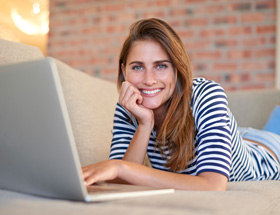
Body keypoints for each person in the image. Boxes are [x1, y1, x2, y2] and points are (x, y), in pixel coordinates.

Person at [82, 18, 280, 191]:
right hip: (235, 137)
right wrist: (144, 125)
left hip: (266, 151)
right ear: (125, 72)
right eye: (138, 67)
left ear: (177, 69)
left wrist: (119, 167)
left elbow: (213, 185)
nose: (149, 80)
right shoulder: (129, 106)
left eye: (161, 66)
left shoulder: (207, 94)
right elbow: (121, 184)